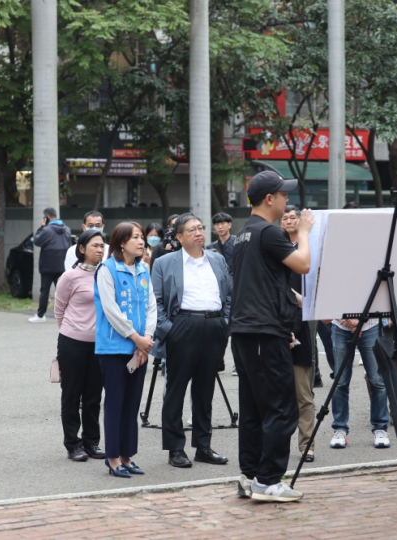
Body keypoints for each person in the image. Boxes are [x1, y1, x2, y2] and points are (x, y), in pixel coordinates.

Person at [230, 171, 314, 503]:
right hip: (264, 332)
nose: (286, 201)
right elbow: (303, 264)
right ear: (269, 199)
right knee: (281, 408)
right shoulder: (269, 233)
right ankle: (269, 481)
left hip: (246, 331)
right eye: (282, 195)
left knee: (253, 408)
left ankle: (249, 476)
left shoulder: (243, 234)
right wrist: (304, 232)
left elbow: (262, 286)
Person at [152, 213, 232, 469]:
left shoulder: (217, 259)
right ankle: (176, 448)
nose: (198, 232)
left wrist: (225, 322)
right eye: (191, 230)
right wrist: (170, 329)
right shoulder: (165, 263)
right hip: (182, 326)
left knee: (205, 390)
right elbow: (156, 301)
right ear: (178, 237)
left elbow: (228, 293)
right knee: (175, 390)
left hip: (214, 326)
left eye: (200, 228)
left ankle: (203, 446)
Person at [94, 222, 156, 478]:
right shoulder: (106, 269)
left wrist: (147, 339)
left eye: (142, 238)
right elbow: (111, 311)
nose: (141, 242)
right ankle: (113, 458)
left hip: (140, 347)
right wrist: (136, 339)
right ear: (121, 242)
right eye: (135, 238)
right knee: (116, 403)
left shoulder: (143, 269)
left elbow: (151, 306)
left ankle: (128, 456)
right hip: (114, 348)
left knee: (132, 404)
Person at [327, 202, 390, 451]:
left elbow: (380, 289)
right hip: (340, 325)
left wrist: (361, 318)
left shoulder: (375, 251)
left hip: (371, 324)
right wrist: (346, 316)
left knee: (377, 379)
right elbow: (328, 286)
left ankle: (380, 428)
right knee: (340, 380)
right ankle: (340, 429)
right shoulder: (333, 250)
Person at [55, 230, 107, 462]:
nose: (100, 249)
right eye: (95, 245)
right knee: (72, 394)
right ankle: (73, 444)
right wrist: (74, 331)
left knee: (94, 396)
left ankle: (91, 442)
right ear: (82, 249)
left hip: (100, 344)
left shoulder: (106, 274)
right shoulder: (70, 276)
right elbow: (59, 310)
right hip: (72, 343)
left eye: (102, 246)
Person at [280, 206, 319, 462]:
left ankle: (307, 444)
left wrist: (298, 299)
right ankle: (278, 444)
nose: (289, 221)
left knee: (304, 394)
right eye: (284, 217)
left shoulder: (310, 247)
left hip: (302, 324)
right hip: (277, 324)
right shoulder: (275, 246)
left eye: (293, 217)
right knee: (278, 394)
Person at [29, 208, 71, 323]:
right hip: (62, 265)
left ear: (47, 216)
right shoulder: (67, 229)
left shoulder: (46, 230)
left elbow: (37, 241)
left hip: (48, 266)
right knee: (63, 291)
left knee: (45, 291)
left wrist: (42, 226)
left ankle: (41, 315)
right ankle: (68, 315)